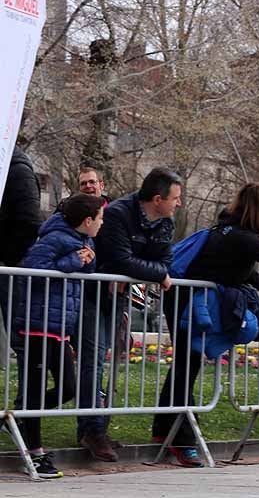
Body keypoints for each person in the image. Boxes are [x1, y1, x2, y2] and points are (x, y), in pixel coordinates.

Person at [153, 183, 259, 466]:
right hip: (190, 304)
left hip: (186, 299)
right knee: (185, 367)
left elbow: (232, 265)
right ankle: (181, 439)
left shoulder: (227, 231)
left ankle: (163, 430)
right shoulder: (242, 236)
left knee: (185, 366)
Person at [75, 167, 181, 463]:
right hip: (93, 293)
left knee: (105, 359)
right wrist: (151, 271)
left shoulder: (164, 222)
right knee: (92, 360)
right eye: (175, 198)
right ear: (157, 199)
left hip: (117, 295)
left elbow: (164, 260)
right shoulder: (119, 213)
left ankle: (96, 426)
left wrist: (147, 270)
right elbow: (123, 259)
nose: (178, 203)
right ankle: (91, 430)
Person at [11, 194, 104, 478]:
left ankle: (18, 420)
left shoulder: (83, 241)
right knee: (36, 389)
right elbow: (30, 271)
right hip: (36, 325)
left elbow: (80, 269)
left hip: (60, 327)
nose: (102, 223)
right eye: (100, 218)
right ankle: (34, 451)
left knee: (68, 388)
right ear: (87, 221)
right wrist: (72, 261)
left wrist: (85, 261)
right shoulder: (54, 238)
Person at [0, 145, 43, 357]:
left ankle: (28, 390)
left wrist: (9, 258)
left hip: (10, 267)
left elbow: (29, 222)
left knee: (20, 338)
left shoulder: (18, 170)